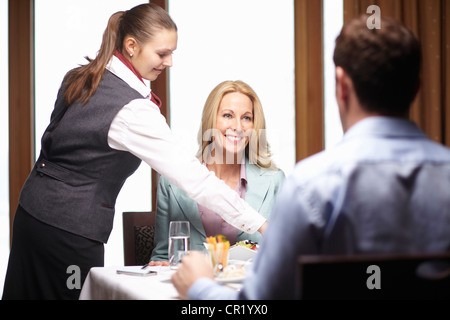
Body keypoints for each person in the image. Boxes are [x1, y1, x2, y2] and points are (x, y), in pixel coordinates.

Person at [172, 15, 450, 299]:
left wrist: (199, 287)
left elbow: (260, 304)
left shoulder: (311, 187)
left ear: (341, 85)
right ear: (417, 87)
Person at [2, 4, 267, 300]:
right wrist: (262, 225)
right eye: (162, 54)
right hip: (69, 233)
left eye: (172, 53)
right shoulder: (133, 110)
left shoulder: (82, 76)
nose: (168, 63)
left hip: (31, 216)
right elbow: (197, 180)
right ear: (131, 46)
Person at [150, 81, 285, 264]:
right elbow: (162, 256)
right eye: (228, 115)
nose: (238, 126)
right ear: (211, 120)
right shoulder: (172, 182)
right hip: (189, 290)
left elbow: (284, 251)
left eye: (246, 118)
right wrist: (159, 265)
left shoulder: (274, 181)